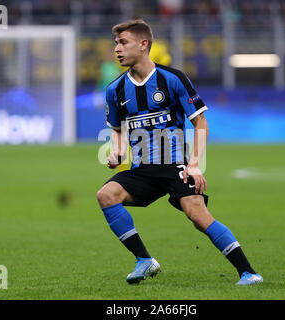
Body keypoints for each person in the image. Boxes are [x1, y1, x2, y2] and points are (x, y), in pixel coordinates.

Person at [96, 19, 262, 286]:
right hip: (142, 170)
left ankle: (248, 272)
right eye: (116, 42)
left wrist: (195, 164)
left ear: (143, 44)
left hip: (175, 164)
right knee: (106, 194)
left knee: (196, 214)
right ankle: (144, 260)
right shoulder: (114, 90)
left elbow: (200, 122)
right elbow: (117, 129)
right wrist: (117, 153)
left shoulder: (172, 79)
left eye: (123, 42)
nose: (117, 48)